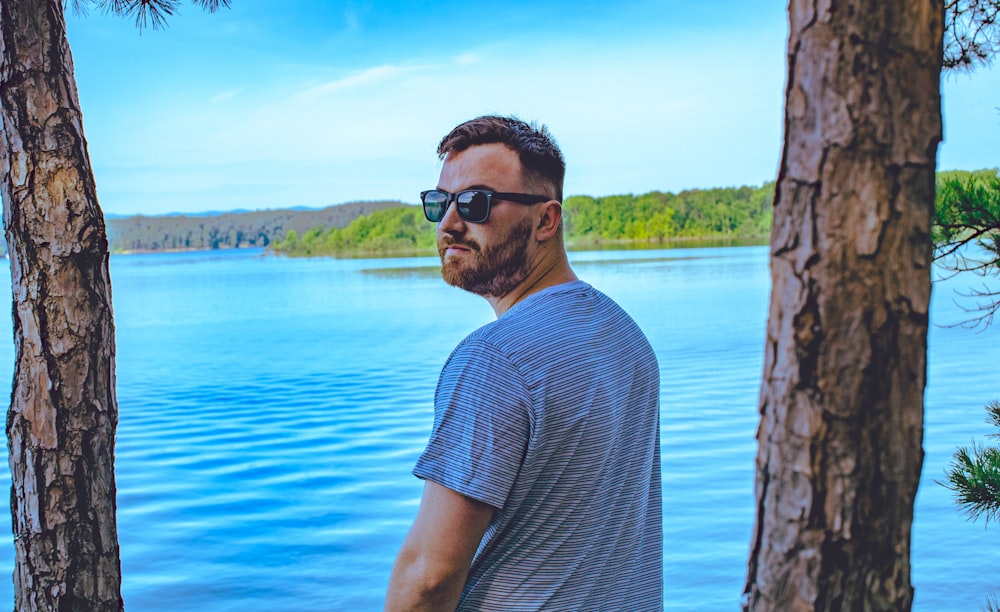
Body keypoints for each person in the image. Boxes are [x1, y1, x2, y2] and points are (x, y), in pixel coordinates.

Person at [385, 115, 662, 611]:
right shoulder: (626, 335)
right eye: (439, 203)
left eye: (476, 203)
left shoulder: (494, 360)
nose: (449, 223)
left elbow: (430, 576)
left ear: (546, 220)